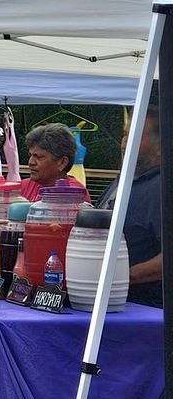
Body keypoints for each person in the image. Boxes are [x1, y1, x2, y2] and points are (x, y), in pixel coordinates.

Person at [99, 104, 163, 306]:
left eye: (135, 136)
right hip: (109, 305)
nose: (124, 144)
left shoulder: (163, 188)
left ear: (161, 144)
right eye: (124, 135)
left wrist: (121, 277)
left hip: (145, 315)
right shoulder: (122, 183)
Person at [18, 122, 89, 203]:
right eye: (30, 155)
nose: (31, 162)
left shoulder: (73, 194)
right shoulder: (23, 186)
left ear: (62, 163)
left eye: (39, 157)